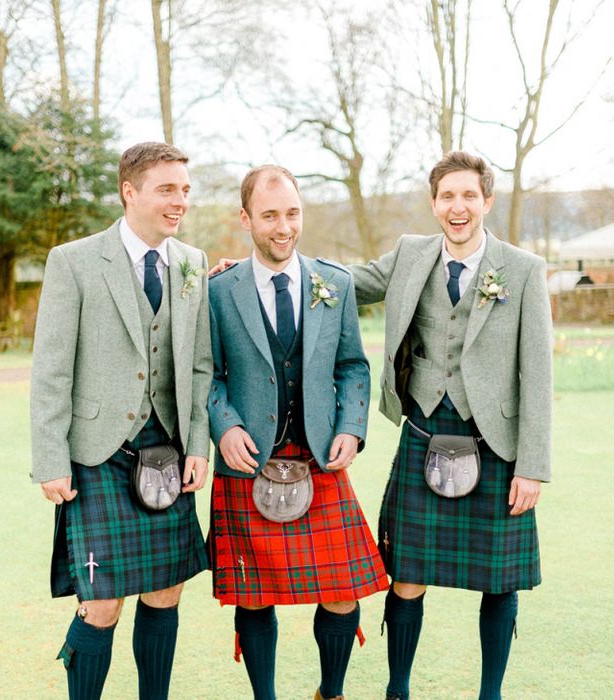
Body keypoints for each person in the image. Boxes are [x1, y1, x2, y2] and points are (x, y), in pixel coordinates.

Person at [348, 151, 553, 700]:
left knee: (499, 578)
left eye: (468, 196)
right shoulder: (410, 255)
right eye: (446, 197)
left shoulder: (524, 269)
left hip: (495, 446)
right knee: (408, 574)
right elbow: (347, 282)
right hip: (422, 434)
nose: (457, 208)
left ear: (487, 201)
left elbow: (537, 375)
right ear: (434, 203)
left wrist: (531, 466)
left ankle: (491, 694)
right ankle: (398, 689)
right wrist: (269, 271)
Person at [30, 142, 212, 700]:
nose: (179, 200)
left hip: (170, 451)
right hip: (98, 454)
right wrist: (50, 461)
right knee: (102, 600)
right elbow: (51, 369)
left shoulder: (191, 262)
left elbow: (200, 364)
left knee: (165, 591)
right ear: (129, 192)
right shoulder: (75, 260)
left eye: (184, 189)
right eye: (166, 189)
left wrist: (198, 443)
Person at [207, 165, 389, 700]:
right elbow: (206, 373)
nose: (283, 227)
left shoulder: (335, 283)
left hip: (317, 456)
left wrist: (351, 427)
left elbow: (353, 365)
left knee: (341, 591)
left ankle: (329, 692)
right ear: (246, 219)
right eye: (269, 216)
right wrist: (224, 427)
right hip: (248, 457)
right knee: (255, 594)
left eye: (291, 213)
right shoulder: (218, 291)